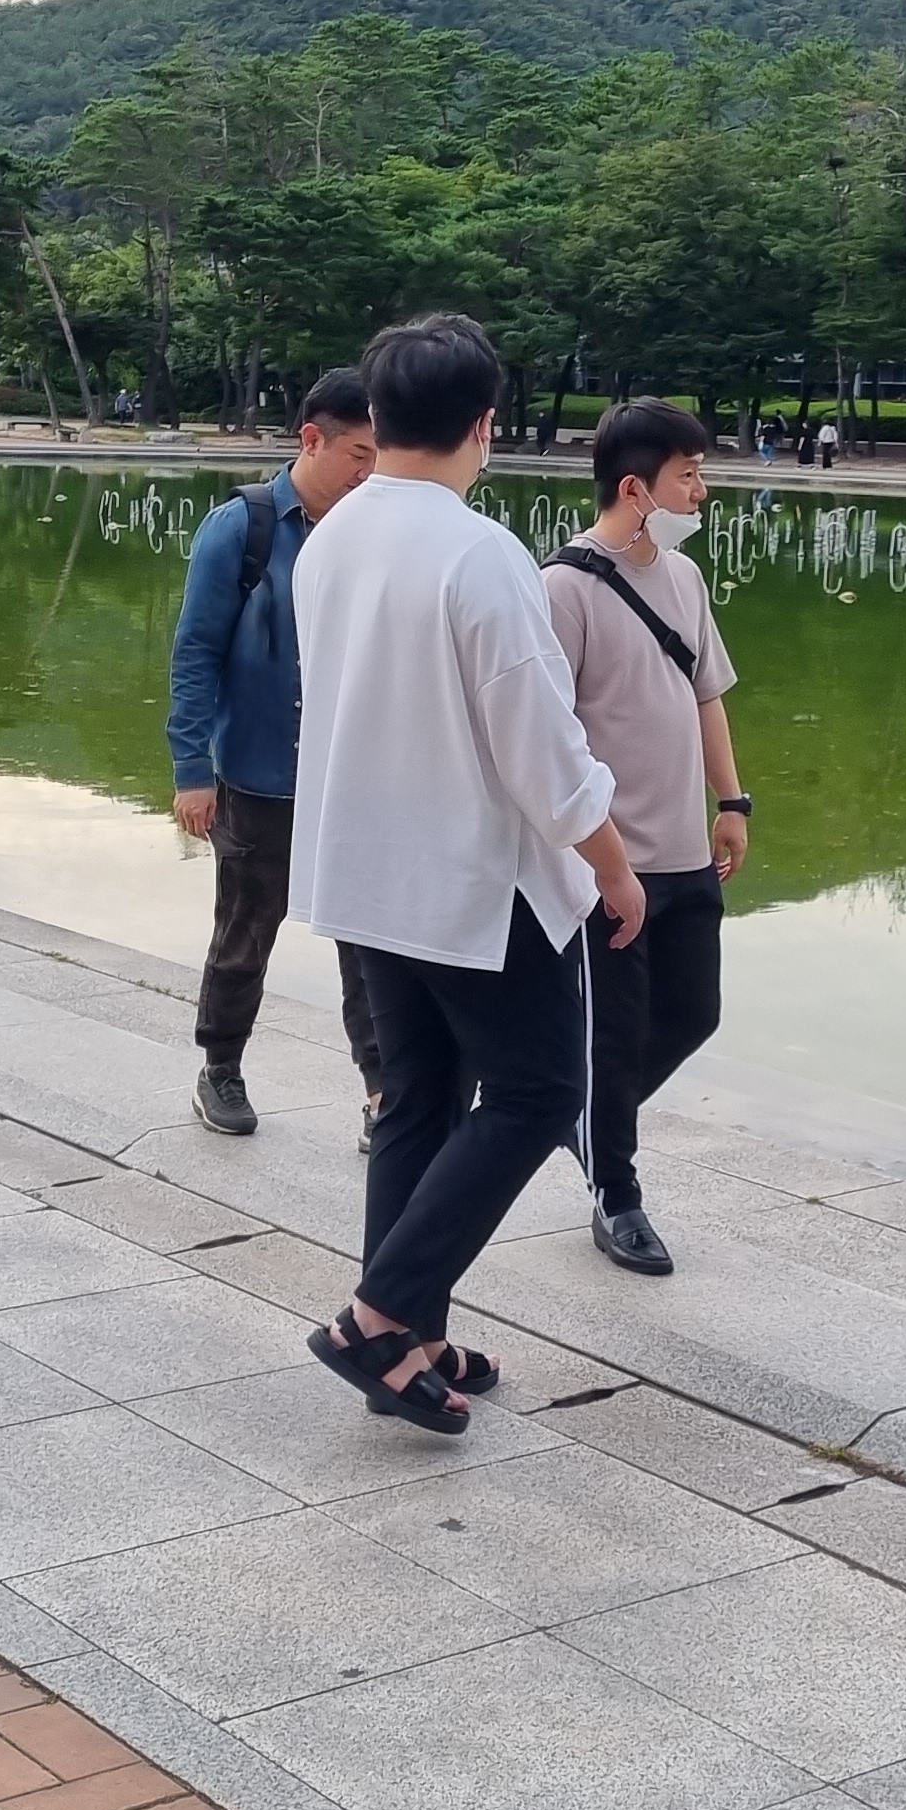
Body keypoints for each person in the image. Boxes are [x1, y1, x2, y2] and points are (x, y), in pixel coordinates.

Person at [290, 312, 644, 1434]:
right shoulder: (478, 551)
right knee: (539, 1093)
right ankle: (377, 1316)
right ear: (486, 424)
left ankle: (411, 1340)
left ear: (379, 414)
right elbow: (541, 746)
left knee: (420, 1098)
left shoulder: (334, 534)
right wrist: (614, 866)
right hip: (472, 879)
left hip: (367, 867)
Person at [544, 402, 749, 1275]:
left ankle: (581, 1120)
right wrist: (594, 856)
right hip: (610, 863)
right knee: (615, 1034)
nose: (701, 492)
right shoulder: (564, 590)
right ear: (635, 488)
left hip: (685, 849)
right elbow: (545, 737)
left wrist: (733, 801)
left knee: (694, 1012)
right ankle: (616, 1196)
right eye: (687, 476)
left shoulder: (686, 578)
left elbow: (707, 695)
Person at [168, 369, 383, 1140]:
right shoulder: (243, 528)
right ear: (312, 439)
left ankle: (383, 1094)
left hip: (351, 784)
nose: (369, 473)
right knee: (244, 934)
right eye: (358, 454)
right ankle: (220, 1069)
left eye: (380, 456)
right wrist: (192, 772)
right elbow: (196, 652)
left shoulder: (373, 534)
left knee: (370, 947)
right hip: (260, 779)